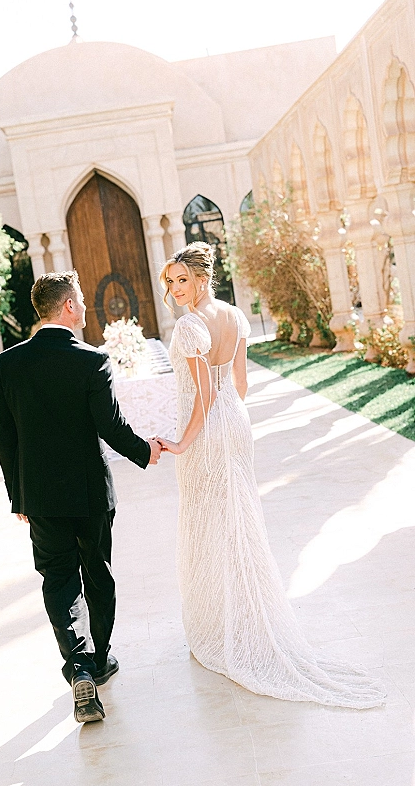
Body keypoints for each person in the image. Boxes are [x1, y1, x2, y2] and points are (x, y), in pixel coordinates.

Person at [157, 242, 385, 708]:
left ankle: (223, 626)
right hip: (236, 422)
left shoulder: (188, 326)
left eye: (183, 279)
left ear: (202, 279)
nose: (176, 289)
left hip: (207, 431)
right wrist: (227, 416)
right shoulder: (236, 317)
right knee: (238, 519)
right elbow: (238, 384)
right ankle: (244, 615)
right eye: (172, 282)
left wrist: (182, 442)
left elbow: (201, 395)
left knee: (209, 523)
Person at [0, 271, 162, 724]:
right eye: (81, 300)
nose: (86, 308)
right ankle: (100, 660)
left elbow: (3, 437)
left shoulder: (8, 364)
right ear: (68, 306)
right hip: (89, 494)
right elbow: (111, 426)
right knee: (97, 573)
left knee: (59, 579)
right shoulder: (91, 361)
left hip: (42, 498)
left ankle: (79, 666)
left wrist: (19, 495)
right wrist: (147, 450)